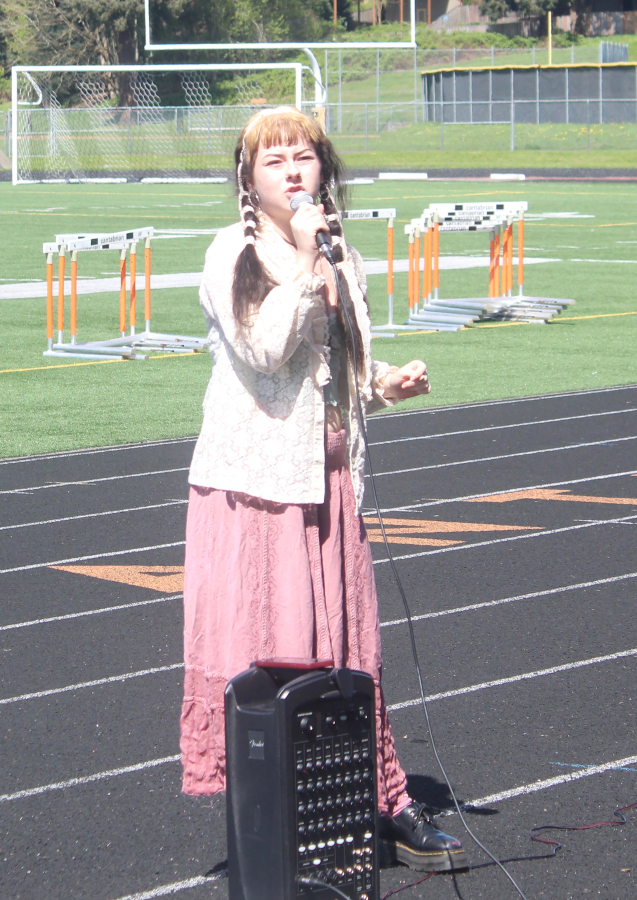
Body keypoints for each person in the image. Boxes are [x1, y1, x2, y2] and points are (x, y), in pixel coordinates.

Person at [180, 106, 467, 873]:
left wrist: (383, 383)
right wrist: (308, 265)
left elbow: (340, 365)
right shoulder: (230, 254)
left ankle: (383, 798)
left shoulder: (344, 256)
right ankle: (280, 813)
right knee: (278, 651)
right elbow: (265, 350)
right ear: (248, 179)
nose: (293, 171)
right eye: (274, 161)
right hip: (258, 488)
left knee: (349, 647)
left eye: (303, 156)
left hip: (332, 481)